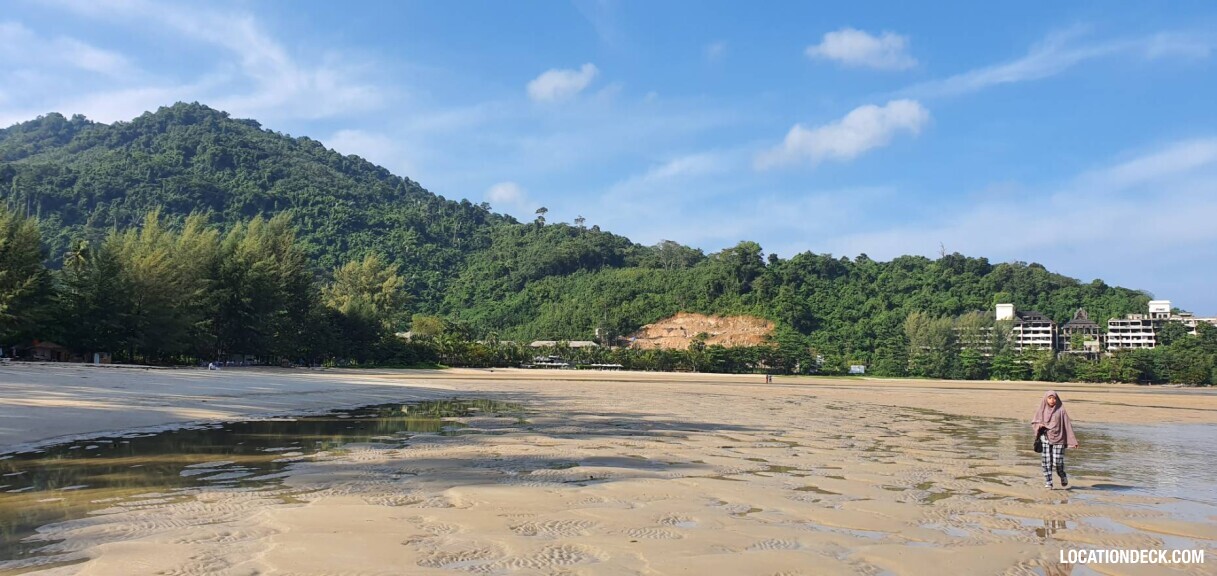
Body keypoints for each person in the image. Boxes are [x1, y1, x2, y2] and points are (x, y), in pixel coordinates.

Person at [1031, 390, 1079, 489]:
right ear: (1046, 399)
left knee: (1058, 462)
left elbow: (1067, 426)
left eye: (1054, 398)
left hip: (1059, 439)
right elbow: (1035, 422)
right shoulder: (1041, 410)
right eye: (1049, 398)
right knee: (1046, 462)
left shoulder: (1061, 411)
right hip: (1045, 438)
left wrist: (1073, 441)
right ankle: (1049, 482)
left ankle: (1062, 475)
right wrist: (1039, 426)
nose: (1052, 400)